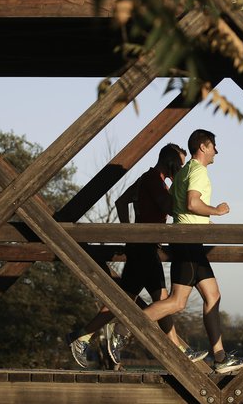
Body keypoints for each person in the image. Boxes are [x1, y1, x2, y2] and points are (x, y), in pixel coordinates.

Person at [110, 129, 243, 374]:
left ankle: (220, 358)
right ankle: (124, 327)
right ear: (204, 147)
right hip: (187, 241)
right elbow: (192, 203)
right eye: (214, 146)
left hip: (188, 240)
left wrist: (201, 222)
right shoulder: (197, 171)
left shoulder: (184, 172)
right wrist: (216, 211)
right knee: (176, 302)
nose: (217, 151)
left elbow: (177, 206)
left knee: (213, 295)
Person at [66, 143, 207, 368]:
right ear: (171, 163)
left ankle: (82, 336)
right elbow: (169, 207)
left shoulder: (145, 179)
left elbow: (122, 201)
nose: (180, 169)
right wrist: (183, 189)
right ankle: (113, 334)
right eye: (179, 165)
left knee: (129, 300)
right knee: (161, 300)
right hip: (144, 247)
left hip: (141, 246)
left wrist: (128, 232)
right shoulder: (154, 180)